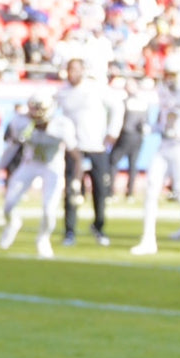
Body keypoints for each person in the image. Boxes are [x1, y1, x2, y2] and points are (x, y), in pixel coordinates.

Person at [130, 53, 180, 258]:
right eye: (166, 74)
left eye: (172, 74)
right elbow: (163, 118)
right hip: (164, 144)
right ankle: (148, 239)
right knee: (150, 190)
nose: (168, 78)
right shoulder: (163, 90)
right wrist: (153, 128)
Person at [0, 91, 75, 258]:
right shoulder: (20, 122)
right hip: (29, 163)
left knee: (49, 209)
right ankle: (13, 223)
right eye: (34, 108)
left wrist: (75, 180)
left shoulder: (61, 124)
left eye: (40, 109)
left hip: (52, 165)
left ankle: (43, 239)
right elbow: (12, 147)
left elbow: (75, 153)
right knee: (9, 204)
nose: (36, 113)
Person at [58, 57, 114, 246]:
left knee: (100, 190)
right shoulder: (63, 92)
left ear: (83, 70)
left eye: (75, 69)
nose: (72, 73)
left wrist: (112, 132)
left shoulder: (95, 88)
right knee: (72, 190)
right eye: (69, 69)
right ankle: (69, 231)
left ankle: (99, 226)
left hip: (96, 147)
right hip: (74, 150)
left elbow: (117, 106)